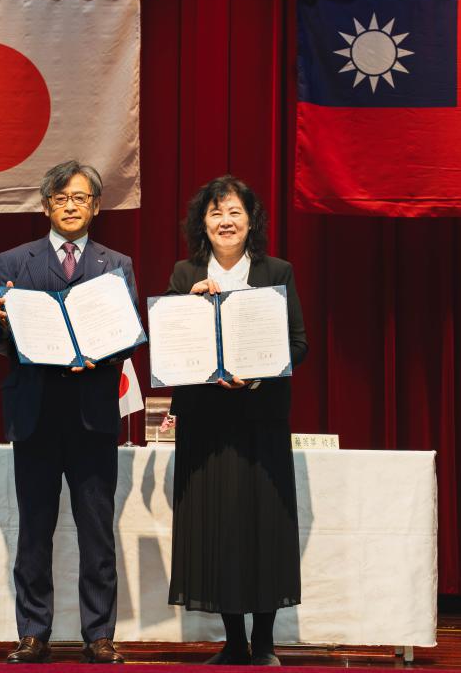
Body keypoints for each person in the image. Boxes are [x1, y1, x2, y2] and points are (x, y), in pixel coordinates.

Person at [0, 160, 135, 664]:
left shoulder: (116, 264)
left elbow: (129, 335)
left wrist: (104, 350)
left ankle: (99, 635)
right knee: (34, 530)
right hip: (35, 412)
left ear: (96, 206)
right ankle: (33, 632)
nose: (71, 206)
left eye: (80, 198)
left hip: (93, 414)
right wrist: (3, 323)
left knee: (97, 532)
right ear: (46, 205)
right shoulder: (13, 261)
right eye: (61, 198)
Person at [166, 175, 308, 666]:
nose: (225, 222)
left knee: (264, 525)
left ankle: (264, 642)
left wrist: (260, 373)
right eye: (215, 213)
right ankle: (232, 642)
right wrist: (186, 307)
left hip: (260, 421)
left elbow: (298, 343)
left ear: (251, 222)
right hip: (205, 424)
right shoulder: (185, 274)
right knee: (217, 527)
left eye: (234, 213)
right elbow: (171, 346)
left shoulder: (277, 272)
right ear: (202, 223)